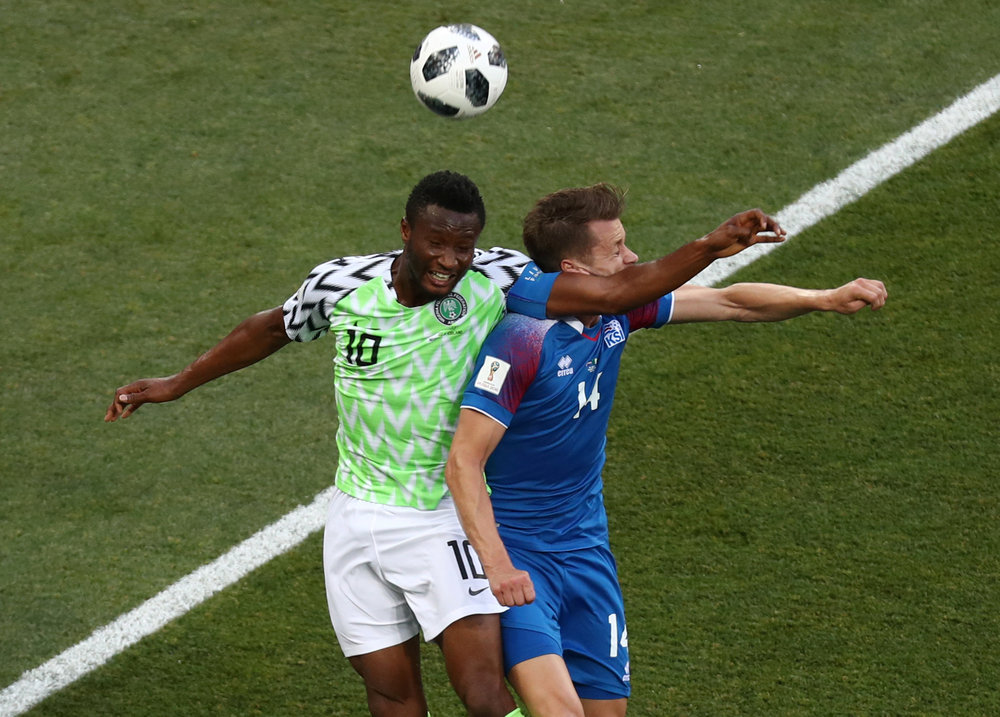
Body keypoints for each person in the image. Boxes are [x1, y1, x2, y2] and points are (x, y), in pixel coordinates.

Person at [105, 171, 785, 717]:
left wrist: (710, 244)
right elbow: (270, 327)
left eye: (463, 247)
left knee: (487, 696)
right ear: (406, 232)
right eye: (438, 244)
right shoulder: (340, 284)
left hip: (442, 513)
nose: (451, 262)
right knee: (390, 691)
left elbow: (614, 291)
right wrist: (176, 382)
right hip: (354, 513)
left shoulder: (500, 276)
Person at [445, 183, 888, 717]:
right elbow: (464, 460)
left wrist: (822, 299)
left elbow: (729, 302)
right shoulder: (521, 339)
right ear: (575, 269)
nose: (632, 259)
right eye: (616, 251)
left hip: (587, 549)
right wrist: (497, 565)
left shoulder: (617, 314)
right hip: (521, 554)